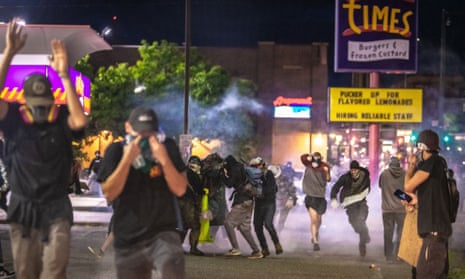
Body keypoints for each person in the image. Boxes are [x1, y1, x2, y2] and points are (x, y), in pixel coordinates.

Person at [0, 18, 88, 278]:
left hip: (56, 207)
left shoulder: (61, 119)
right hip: (23, 206)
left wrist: (64, 75)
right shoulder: (14, 118)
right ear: (25, 100)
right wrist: (9, 54)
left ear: (51, 98)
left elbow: (80, 121)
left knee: (54, 270)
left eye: (44, 101)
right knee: (26, 272)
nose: (40, 107)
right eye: (35, 101)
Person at [97, 106, 187, 279]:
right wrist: (127, 160)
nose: (144, 138)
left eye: (149, 134)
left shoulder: (167, 147)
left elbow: (181, 188)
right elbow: (109, 193)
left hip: (163, 231)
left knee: (172, 265)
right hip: (128, 234)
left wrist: (164, 159)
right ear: (128, 128)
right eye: (139, 133)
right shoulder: (116, 151)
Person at [404, 129, 452, 278]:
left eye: (418, 147)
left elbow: (408, 187)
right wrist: (415, 200)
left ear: (422, 147)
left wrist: (411, 166)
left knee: (424, 274)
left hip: (434, 234)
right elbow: (411, 193)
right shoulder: (438, 164)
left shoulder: (432, 163)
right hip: (435, 233)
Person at [222, 155, 263, 259]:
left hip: (242, 201)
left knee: (228, 223)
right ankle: (257, 251)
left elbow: (229, 184)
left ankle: (235, 249)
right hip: (249, 200)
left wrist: (222, 175)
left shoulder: (235, 170)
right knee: (244, 228)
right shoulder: (241, 168)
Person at [330, 160, 371, 257]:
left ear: (358, 169)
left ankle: (362, 243)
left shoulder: (365, 176)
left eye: (355, 170)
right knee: (355, 223)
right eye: (352, 170)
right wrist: (333, 199)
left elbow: (368, 188)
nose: (354, 172)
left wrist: (362, 194)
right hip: (349, 204)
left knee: (361, 220)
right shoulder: (345, 177)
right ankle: (364, 233)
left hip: (361, 202)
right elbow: (335, 188)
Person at [250, 157, 283, 257]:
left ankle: (277, 244)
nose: (255, 169)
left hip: (269, 203)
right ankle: (264, 248)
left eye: (256, 166)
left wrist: (261, 192)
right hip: (259, 204)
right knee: (257, 226)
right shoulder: (253, 176)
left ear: (262, 165)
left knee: (268, 224)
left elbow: (270, 189)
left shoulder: (268, 174)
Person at [300, 152, 331, 251]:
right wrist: (309, 154)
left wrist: (326, 172)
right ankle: (315, 241)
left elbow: (328, 179)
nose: (315, 163)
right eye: (313, 159)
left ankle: (316, 233)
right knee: (313, 219)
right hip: (310, 196)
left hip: (320, 197)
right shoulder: (308, 164)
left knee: (319, 220)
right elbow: (302, 157)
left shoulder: (325, 166)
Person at [378, 156, 406, 262]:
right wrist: (403, 197)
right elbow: (408, 189)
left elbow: (380, 186)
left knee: (388, 232)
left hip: (387, 209)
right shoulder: (405, 174)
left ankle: (388, 256)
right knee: (401, 232)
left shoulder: (384, 174)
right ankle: (399, 254)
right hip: (401, 209)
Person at [178, 155, 204, 256]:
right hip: (188, 202)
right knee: (196, 225)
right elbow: (199, 190)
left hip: (177, 202)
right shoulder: (193, 175)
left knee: (183, 226)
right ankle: (193, 248)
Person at [270, 164, 297, 233]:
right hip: (273, 202)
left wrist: (291, 199)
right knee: (271, 218)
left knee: (282, 220)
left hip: (284, 202)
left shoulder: (286, 179)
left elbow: (292, 190)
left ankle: (278, 233)